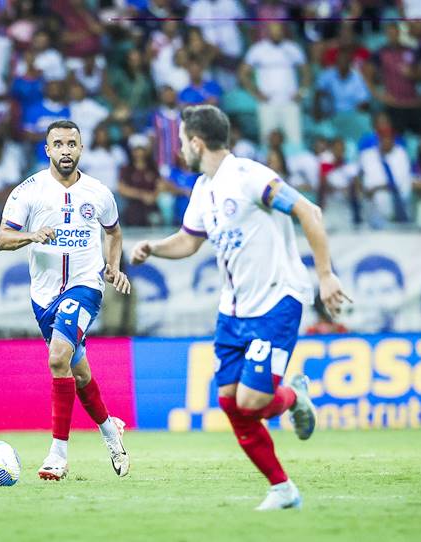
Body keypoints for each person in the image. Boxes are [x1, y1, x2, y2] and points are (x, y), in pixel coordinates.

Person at [130, 105, 349, 511]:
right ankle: (283, 488)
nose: (178, 150)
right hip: (232, 311)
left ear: (197, 142)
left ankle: (292, 398)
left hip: (276, 301)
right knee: (231, 402)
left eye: (181, 142)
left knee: (249, 402)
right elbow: (189, 240)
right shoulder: (202, 189)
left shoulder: (251, 178)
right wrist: (155, 249)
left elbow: (308, 211)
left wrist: (326, 275)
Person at [0, 120, 132, 481]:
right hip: (43, 296)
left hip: (85, 286)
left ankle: (58, 454)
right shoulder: (29, 191)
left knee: (58, 358)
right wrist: (31, 235)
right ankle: (109, 430)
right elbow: (1, 239)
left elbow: (114, 232)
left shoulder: (99, 192)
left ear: (81, 149)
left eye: (72, 143)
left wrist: (112, 267)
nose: (66, 150)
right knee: (79, 370)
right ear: (48, 150)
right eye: (59, 144)